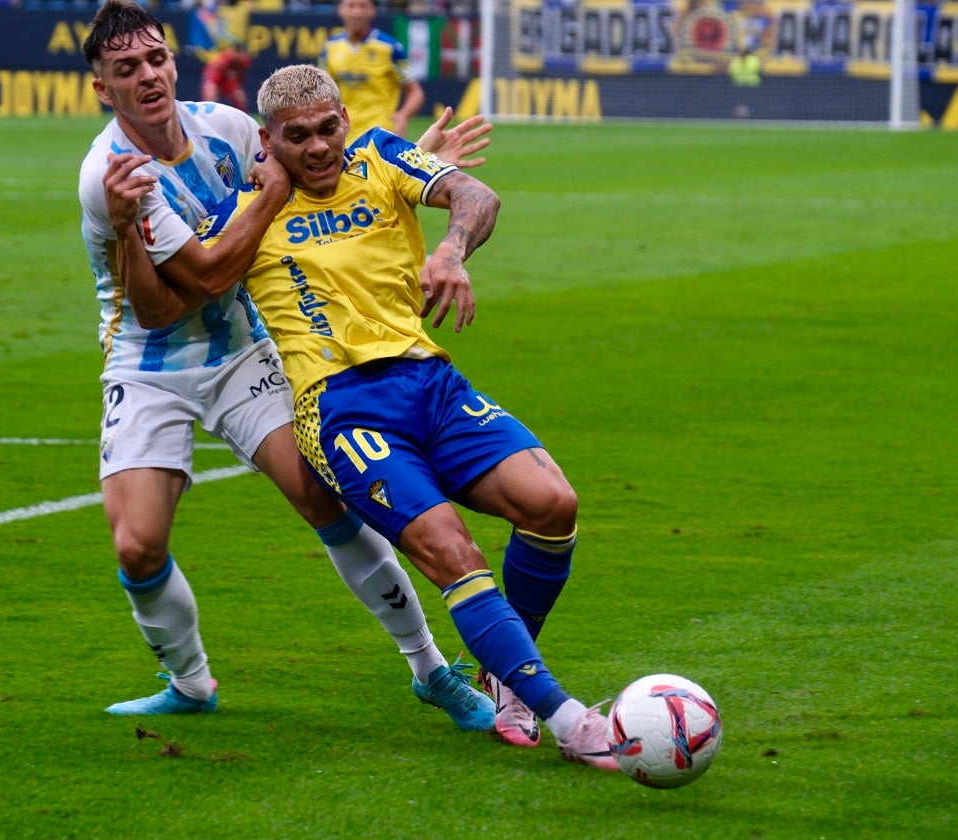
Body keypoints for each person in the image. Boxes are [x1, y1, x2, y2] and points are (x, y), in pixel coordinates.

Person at [103, 64, 620, 770]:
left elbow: (474, 193)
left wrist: (450, 248)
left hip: (430, 381)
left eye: (327, 128)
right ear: (268, 140)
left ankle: (505, 670)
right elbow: (174, 297)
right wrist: (126, 228)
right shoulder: (248, 214)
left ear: (345, 118)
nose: (318, 147)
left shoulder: (380, 153)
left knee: (553, 505)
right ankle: (565, 717)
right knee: (452, 551)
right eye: (297, 137)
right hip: (340, 409)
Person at [78, 0, 497, 729]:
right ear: (101, 87)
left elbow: (318, 174)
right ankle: (191, 682)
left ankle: (430, 668)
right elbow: (187, 291)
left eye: (155, 59)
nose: (147, 76)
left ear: (173, 60)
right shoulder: (112, 175)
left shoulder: (232, 130)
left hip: (242, 347)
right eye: (126, 69)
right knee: (138, 545)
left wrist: (402, 165)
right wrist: (268, 193)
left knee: (325, 497)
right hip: (149, 362)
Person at [320, 0, 424, 144]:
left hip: (381, 136)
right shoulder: (330, 48)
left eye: (363, 6)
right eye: (351, 6)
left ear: (372, 10)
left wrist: (403, 115)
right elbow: (323, 93)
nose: (357, 12)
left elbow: (415, 92)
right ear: (340, 10)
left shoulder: (391, 48)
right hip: (344, 134)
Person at [191, 0, 253, 112]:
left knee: (239, 97)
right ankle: (207, 118)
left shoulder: (244, 60)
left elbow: (239, 78)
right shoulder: (222, 59)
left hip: (227, 76)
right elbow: (212, 73)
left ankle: (244, 120)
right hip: (215, 69)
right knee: (210, 94)